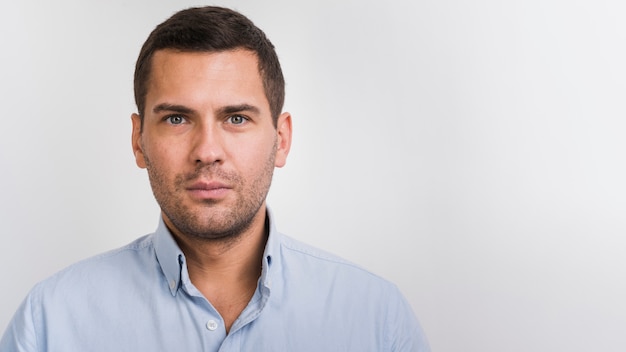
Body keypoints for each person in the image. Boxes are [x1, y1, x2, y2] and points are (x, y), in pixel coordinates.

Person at [0, 6, 429, 351]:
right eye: (176, 118)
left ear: (281, 140)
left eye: (236, 118)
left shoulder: (377, 320)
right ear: (138, 140)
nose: (207, 150)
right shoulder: (50, 322)